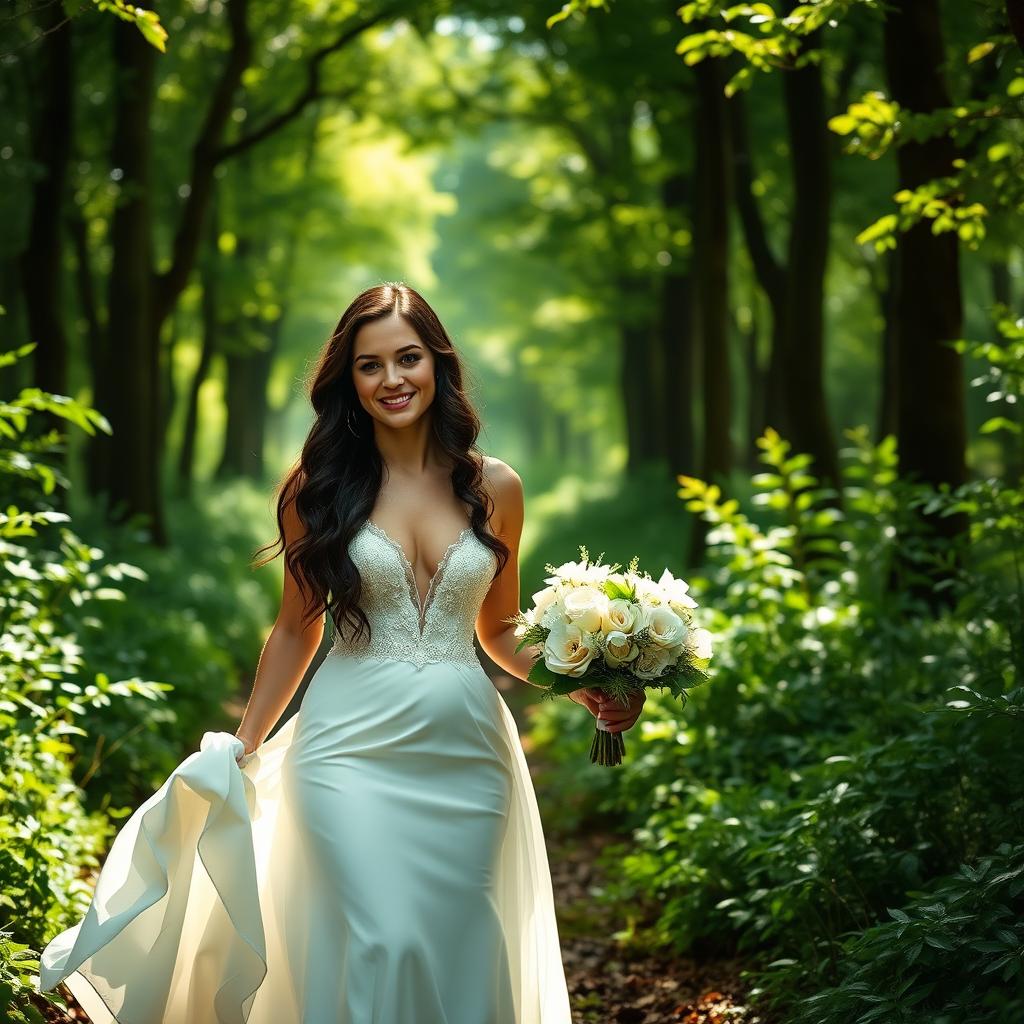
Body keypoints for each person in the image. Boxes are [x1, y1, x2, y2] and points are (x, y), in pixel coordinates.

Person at [38, 281, 646, 1023]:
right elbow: (298, 627)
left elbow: (497, 627)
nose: (392, 379)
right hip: (345, 748)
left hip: (466, 752)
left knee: (460, 938)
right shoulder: (317, 491)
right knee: (380, 941)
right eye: (370, 365)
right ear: (347, 380)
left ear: (439, 364)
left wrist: (580, 677)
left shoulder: (496, 487)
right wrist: (246, 744)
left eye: (409, 358)